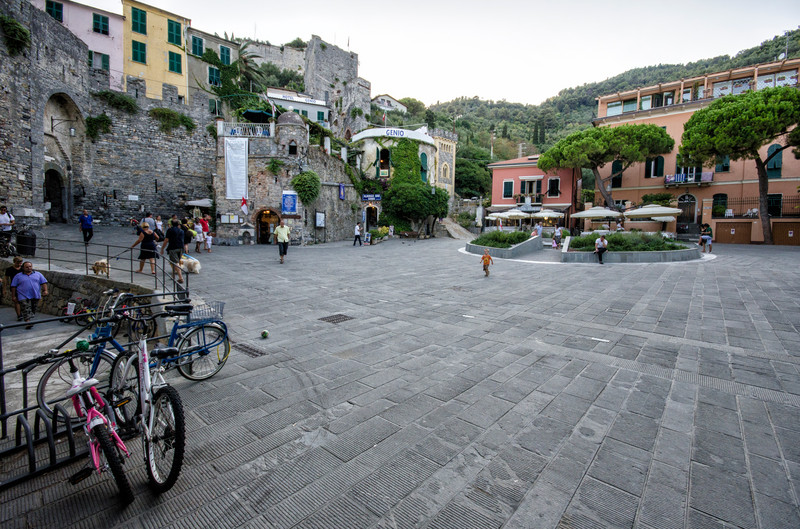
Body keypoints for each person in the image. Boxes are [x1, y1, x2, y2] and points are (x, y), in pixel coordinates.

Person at [11, 261, 48, 329]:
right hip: (22, 295)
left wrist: (45, 290)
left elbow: (44, 282)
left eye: (30, 266)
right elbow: (13, 286)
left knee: (33, 308)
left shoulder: (38, 274)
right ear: (23, 268)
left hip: (35, 294)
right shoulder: (18, 276)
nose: (29, 268)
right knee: (25, 307)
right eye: (27, 267)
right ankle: (28, 322)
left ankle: (29, 316)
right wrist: (13, 296)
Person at [160, 219, 185, 284]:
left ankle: (180, 277)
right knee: (176, 261)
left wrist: (162, 248)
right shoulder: (181, 231)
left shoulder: (170, 230)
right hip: (181, 247)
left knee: (175, 262)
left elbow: (166, 240)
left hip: (173, 247)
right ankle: (173, 275)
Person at [3, 256, 24, 321]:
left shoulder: (23, 269)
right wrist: (4, 289)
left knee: (23, 301)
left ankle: (23, 313)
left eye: (20, 263)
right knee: (16, 301)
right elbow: (5, 279)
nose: (19, 264)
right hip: (14, 287)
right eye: (18, 263)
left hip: (23, 287)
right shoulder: (10, 269)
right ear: (14, 262)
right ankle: (19, 315)